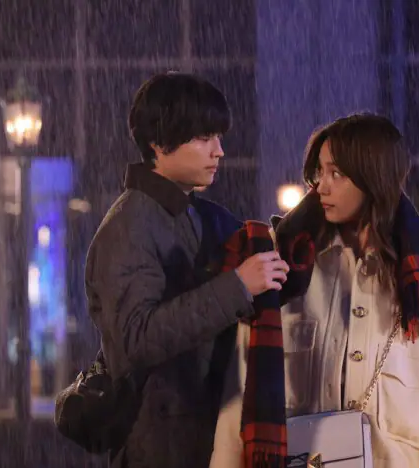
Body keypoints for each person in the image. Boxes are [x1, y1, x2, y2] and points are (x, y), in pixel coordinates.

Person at [211, 113, 419, 467]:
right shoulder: (284, 268)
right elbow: (237, 406)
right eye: (320, 172)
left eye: (337, 174)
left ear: (373, 179)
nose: (322, 186)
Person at [84, 71, 289, 468]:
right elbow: (135, 340)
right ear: (159, 143)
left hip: (205, 432)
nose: (219, 151)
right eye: (203, 137)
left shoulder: (201, 215)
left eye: (219, 137)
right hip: (161, 444)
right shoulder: (129, 227)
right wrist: (238, 286)